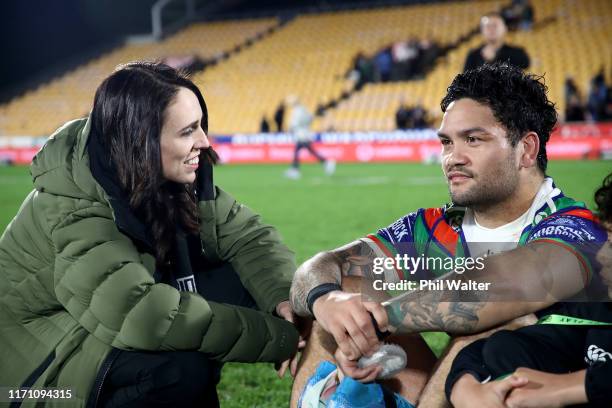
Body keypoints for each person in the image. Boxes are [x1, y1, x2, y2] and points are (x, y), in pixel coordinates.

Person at [289, 63, 607, 408]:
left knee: (492, 326)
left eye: (473, 139)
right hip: (457, 388)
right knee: (344, 294)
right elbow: (320, 266)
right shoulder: (435, 228)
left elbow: (502, 286)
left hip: (528, 392)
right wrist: (324, 300)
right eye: (446, 142)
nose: (452, 158)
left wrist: (374, 320)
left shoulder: (575, 226)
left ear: (527, 149)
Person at [0, 62, 302, 407]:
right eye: (188, 131)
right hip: (39, 372)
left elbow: (249, 236)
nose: (204, 141)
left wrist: (283, 303)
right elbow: (142, 315)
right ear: (140, 140)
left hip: (97, 326)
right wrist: (280, 338)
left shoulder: (156, 175)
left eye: (201, 126)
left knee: (239, 287)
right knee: (178, 370)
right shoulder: (75, 206)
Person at [447, 173, 612, 407]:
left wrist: (570, 387)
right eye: (605, 240)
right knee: (502, 347)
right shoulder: (596, 302)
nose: (602, 255)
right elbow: (503, 346)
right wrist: (465, 387)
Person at [284, 96, 335, 180]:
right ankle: (326, 162)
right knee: (306, 151)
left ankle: (295, 170)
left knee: (299, 151)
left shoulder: (297, 111)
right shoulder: (304, 109)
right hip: (305, 134)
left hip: (301, 135)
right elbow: (310, 119)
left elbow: (294, 123)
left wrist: (290, 128)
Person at [464, 13, 530, 72]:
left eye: (495, 25)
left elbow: (525, 64)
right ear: (482, 30)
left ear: (505, 28)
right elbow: (465, 79)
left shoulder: (517, 52)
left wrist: (496, 58)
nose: (491, 29)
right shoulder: (473, 55)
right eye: (488, 26)